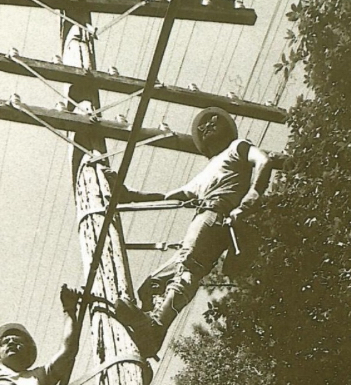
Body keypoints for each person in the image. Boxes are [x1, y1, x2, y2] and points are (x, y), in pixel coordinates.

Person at [114, 107, 275, 357]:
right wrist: (131, 196)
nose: (208, 126)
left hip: (218, 215)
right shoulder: (207, 172)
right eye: (205, 126)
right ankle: (149, 329)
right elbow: (171, 196)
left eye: (214, 123)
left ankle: (155, 326)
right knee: (152, 285)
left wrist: (251, 198)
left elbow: (264, 161)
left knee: (189, 267)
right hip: (204, 218)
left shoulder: (238, 147)